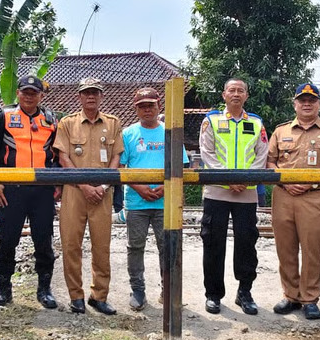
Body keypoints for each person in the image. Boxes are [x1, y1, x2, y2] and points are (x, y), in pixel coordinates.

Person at [267, 83, 320, 320]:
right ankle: (291, 295)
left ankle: (310, 299)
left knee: (312, 250)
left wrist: (312, 182)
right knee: (286, 249)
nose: (306, 104)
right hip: (283, 196)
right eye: (302, 100)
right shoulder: (281, 131)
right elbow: (270, 163)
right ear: (295, 104)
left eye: (311, 100)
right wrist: (284, 181)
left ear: (319, 104)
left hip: (314, 197)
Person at [0, 75, 59, 310]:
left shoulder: (50, 120)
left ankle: (44, 289)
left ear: (41, 95)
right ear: (18, 93)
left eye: (34, 93)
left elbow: (56, 155)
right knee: (7, 239)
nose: (29, 96)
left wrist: (57, 182)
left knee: (43, 241)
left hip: (42, 190)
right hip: (11, 189)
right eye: (25, 92)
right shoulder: (3, 116)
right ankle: (3, 290)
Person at [198, 78, 268, 315]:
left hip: (246, 193)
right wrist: (228, 178)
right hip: (217, 191)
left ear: (246, 96)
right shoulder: (211, 121)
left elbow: (262, 155)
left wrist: (246, 179)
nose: (236, 94)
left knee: (247, 244)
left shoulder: (256, 123)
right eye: (232, 90)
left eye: (241, 90)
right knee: (213, 243)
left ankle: (245, 292)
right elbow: (207, 153)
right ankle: (213, 294)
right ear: (224, 94)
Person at [55, 78, 124, 315]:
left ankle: (99, 296)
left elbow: (116, 159)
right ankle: (76, 296)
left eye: (95, 92)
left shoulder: (113, 124)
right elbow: (64, 158)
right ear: (80, 97)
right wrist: (85, 186)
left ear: (101, 96)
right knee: (71, 245)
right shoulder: (67, 123)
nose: (91, 96)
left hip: (103, 194)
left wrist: (103, 187)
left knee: (102, 247)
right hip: (75, 192)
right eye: (86, 93)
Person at [120, 87, 189, 311]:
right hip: (136, 201)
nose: (147, 109)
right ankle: (138, 290)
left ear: (159, 106)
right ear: (136, 109)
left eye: (150, 105)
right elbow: (121, 167)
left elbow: (182, 165)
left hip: (165, 201)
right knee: (135, 247)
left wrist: (162, 188)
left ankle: (167, 291)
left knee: (167, 247)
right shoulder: (128, 134)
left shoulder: (170, 132)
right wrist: (140, 188)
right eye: (142, 106)